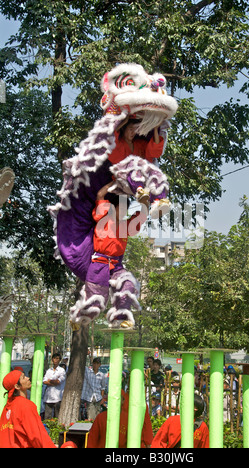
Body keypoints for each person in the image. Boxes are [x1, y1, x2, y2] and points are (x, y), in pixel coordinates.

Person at [70, 182, 148, 328]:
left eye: (127, 209)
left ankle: (122, 317)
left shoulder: (127, 225)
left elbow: (143, 215)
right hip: (99, 265)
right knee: (97, 301)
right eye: (122, 208)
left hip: (117, 266)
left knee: (128, 283)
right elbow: (100, 195)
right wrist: (114, 181)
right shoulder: (103, 217)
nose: (124, 212)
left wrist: (145, 200)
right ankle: (78, 318)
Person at [108, 117, 171, 219]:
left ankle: (158, 201)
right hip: (124, 181)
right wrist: (122, 119)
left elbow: (154, 152)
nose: (133, 132)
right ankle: (140, 191)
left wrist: (155, 128)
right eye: (130, 129)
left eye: (135, 130)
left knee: (155, 174)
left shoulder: (140, 145)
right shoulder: (119, 144)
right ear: (124, 129)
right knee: (133, 164)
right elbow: (111, 136)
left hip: (141, 181)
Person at [0, 369, 57, 448]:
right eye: (23, 377)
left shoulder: (7, 408)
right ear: (17, 386)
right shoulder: (25, 405)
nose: (28, 378)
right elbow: (37, 436)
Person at [87, 390, 153, 448]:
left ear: (123, 401)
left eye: (118, 398)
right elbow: (92, 439)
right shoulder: (101, 417)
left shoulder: (128, 419)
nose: (116, 400)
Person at [43, 353, 66, 419]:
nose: (55, 360)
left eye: (57, 358)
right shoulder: (48, 371)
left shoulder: (62, 370)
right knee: (47, 417)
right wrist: (53, 381)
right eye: (54, 358)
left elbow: (58, 381)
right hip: (48, 397)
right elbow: (44, 381)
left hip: (58, 397)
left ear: (59, 360)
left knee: (57, 417)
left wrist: (50, 381)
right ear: (52, 359)